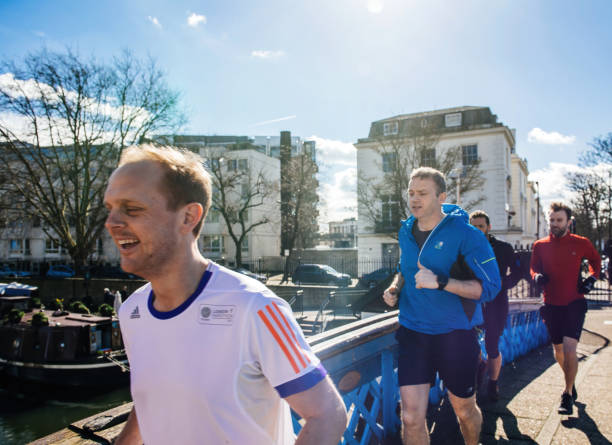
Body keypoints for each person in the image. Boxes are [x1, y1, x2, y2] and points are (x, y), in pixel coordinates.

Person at [105, 144, 347, 445]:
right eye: (110, 209)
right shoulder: (131, 312)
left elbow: (328, 414)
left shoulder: (256, 307)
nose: (112, 223)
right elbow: (152, 400)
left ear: (188, 217)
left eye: (132, 209)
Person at [382, 167, 501, 445]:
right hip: (413, 333)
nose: (414, 199)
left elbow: (490, 288)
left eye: (422, 193)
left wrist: (441, 281)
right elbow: (404, 267)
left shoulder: (467, 235)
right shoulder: (405, 230)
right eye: (411, 193)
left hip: (455, 335)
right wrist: (395, 288)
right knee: (411, 418)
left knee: (464, 410)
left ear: (441, 196)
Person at [530, 202, 601, 415]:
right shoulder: (539, 246)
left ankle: (567, 393)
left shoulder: (581, 243)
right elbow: (533, 267)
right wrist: (537, 276)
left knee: (570, 349)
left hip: (574, 303)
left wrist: (592, 279)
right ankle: (571, 381)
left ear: (568, 222)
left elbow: (595, 262)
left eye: (559, 220)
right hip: (551, 304)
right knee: (558, 351)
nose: (554, 224)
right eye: (552, 220)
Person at [469, 210, 521, 401]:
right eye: (473, 226)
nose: (477, 230)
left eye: (480, 226)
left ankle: (493, 383)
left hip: (497, 304)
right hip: (472, 304)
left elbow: (517, 272)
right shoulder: (463, 249)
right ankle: (477, 373)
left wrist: (501, 284)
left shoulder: (504, 248)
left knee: (492, 346)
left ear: (488, 227)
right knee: (470, 346)